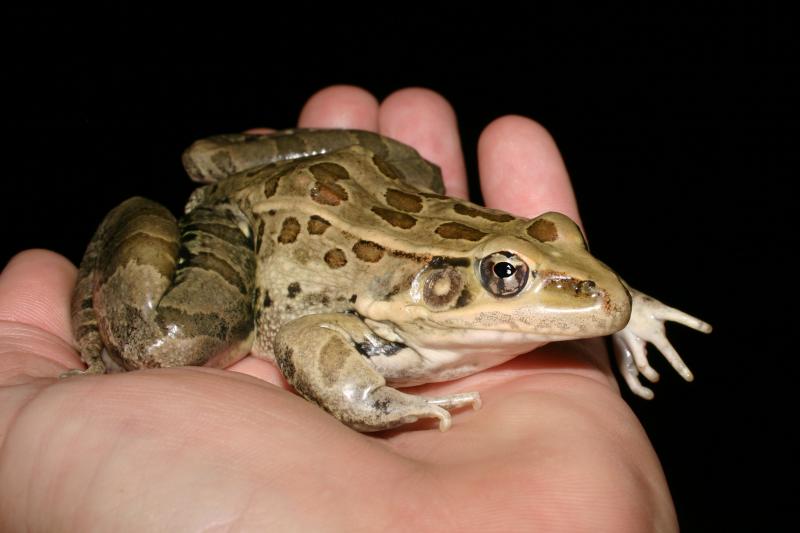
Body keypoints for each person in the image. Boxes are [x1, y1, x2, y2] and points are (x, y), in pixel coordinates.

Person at [0, 86, 677, 530]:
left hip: (354, 188)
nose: (574, 283)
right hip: (242, 226)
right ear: (443, 288)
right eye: (504, 275)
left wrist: (629, 307)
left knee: (425, 172)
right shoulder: (394, 323)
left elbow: (575, 275)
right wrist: (377, 401)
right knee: (162, 345)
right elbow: (303, 335)